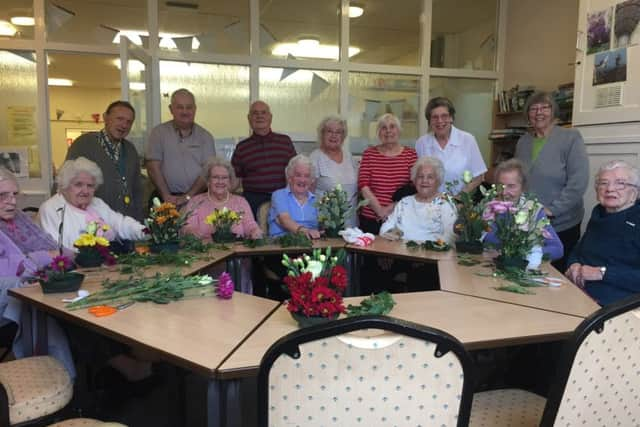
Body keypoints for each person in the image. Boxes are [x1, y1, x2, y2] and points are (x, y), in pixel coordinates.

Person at [0, 167, 76, 376]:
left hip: (35, 287)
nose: (12, 202)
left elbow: (51, 246)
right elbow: (10, 270)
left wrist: (71, 254)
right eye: (2, 196)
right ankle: (57, 378)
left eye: (14, 194)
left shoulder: (20, 219)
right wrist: (47, 257)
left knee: (76, 313)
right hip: (8, 302)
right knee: (54, 314)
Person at [515, 91, 589, 271]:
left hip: (562, 222)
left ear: (553, 111)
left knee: (555, 273)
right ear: (528, 115)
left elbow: (578, 181)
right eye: (533, 108)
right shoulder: (523, 142)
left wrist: (553, 209)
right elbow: (518, 179)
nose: (539, 112)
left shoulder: (570, 138)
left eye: (544, 107)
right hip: (530, 221)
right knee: (530, 268)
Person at [565, 160, 640, 306]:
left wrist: (602, 273)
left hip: (618, 305)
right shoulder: (599, 214)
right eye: (603, 183)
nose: (610, 189)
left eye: (621, 183)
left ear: (635, 191)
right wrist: (574, 264)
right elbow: (579, 250)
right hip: (580, 293)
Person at [183, 157, 262, 294]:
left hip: (238, 263)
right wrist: (192, 232)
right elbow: (187, 227)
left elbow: (250, 224)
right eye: (215, 177)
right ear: (208, 181)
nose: (220, 182)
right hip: (206, 262)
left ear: (230, 181)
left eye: (224, 178)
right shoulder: (196, 202)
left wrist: (255, 231)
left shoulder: (240, 202)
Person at [39, 157, 145, 250]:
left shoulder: (96, 203)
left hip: (105, 263)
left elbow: (120, 224)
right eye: (78, 184)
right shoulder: (52, 208)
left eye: (90, 186)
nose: (85, 191)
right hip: (74, 267)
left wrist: (145, 232)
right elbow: (59, 247)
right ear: (65, 186)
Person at [66, 100, 144, 221]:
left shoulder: (130, 150)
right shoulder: (84, 144)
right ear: (105, 118)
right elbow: (67, 183)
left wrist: (139, 221)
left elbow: (137, 189)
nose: (124, 125)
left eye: (129, 122)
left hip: (125, 223)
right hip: (93, 223)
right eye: (119, 119)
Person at [146, 88, 216, 207]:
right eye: (180, 107)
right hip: (163, 199)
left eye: (189, 107)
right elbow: (153, 167)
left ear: (195, 109)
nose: (185, 112)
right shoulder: (158, 133)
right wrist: (166, 196)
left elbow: (208, 171)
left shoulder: (206, 136)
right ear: (171, 109)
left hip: (198, 200)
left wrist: (188, 196)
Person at [483, 159, 563, 261]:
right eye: (500, 186)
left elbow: (557, 249)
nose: (504, 192)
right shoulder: (489, 207)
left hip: (518, 268)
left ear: (523, 187)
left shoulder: (533, 210)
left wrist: (523, 253)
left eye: (511, 186)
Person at [231, 101, 296, 218]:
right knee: (254, 235)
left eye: (263, 113)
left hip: (282, 199)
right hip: (252, 202)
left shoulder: (285, 141)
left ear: (270, 117)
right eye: (255, 113)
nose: (259, 116)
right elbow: (235, 179)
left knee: (282, 234)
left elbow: (294, 173)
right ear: (249, 118)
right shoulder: (242, 147)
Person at [358, 113, 417, 234]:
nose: (388, 131)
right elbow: (363, 185)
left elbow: (414, 187)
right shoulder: (369, 154)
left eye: (392, 126)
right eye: (383, 128)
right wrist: (379, 211)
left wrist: (388, 210)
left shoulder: (410, 155)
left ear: (399, 131)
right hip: (370, 217)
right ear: (379, 132)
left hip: (400, 217)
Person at [415, 97, 487, 194]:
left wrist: (459, 199)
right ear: (430, 121)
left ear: (451, 118)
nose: (440, 121)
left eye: (444, 116)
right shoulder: (422, 143)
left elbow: (479, 177)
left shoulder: (468, 140)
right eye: (435, 117)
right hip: (430, 203)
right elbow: (418, 177)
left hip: (461, 203)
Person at [380, 156, 457, 244]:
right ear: (414, 180)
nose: (424, 180)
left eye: (430, 177)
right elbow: (385, 228)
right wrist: (394, 236)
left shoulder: (445, 202)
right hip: (401, 252)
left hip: (432, 254)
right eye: (420, 176)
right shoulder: (405, 202)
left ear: (438, 181)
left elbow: (450, 236)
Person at [309, 115, 358, 228]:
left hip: (351, 222)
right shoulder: (315, 157)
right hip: (325, 223)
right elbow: (308, 195)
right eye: (329, 131)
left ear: (343, 136)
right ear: (322, 134)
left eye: (338, 132)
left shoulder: (349, 156)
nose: (334, 135)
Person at [268, 154, 320, 239]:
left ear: (311, 180)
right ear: (289, 177)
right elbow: (285, 220)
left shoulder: (316, 200)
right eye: (298, 175)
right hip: (281, 246)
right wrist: (305, 231)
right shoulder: (279, 195)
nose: (302, 180)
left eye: (307, 176)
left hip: (312, 246)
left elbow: (323, 226)